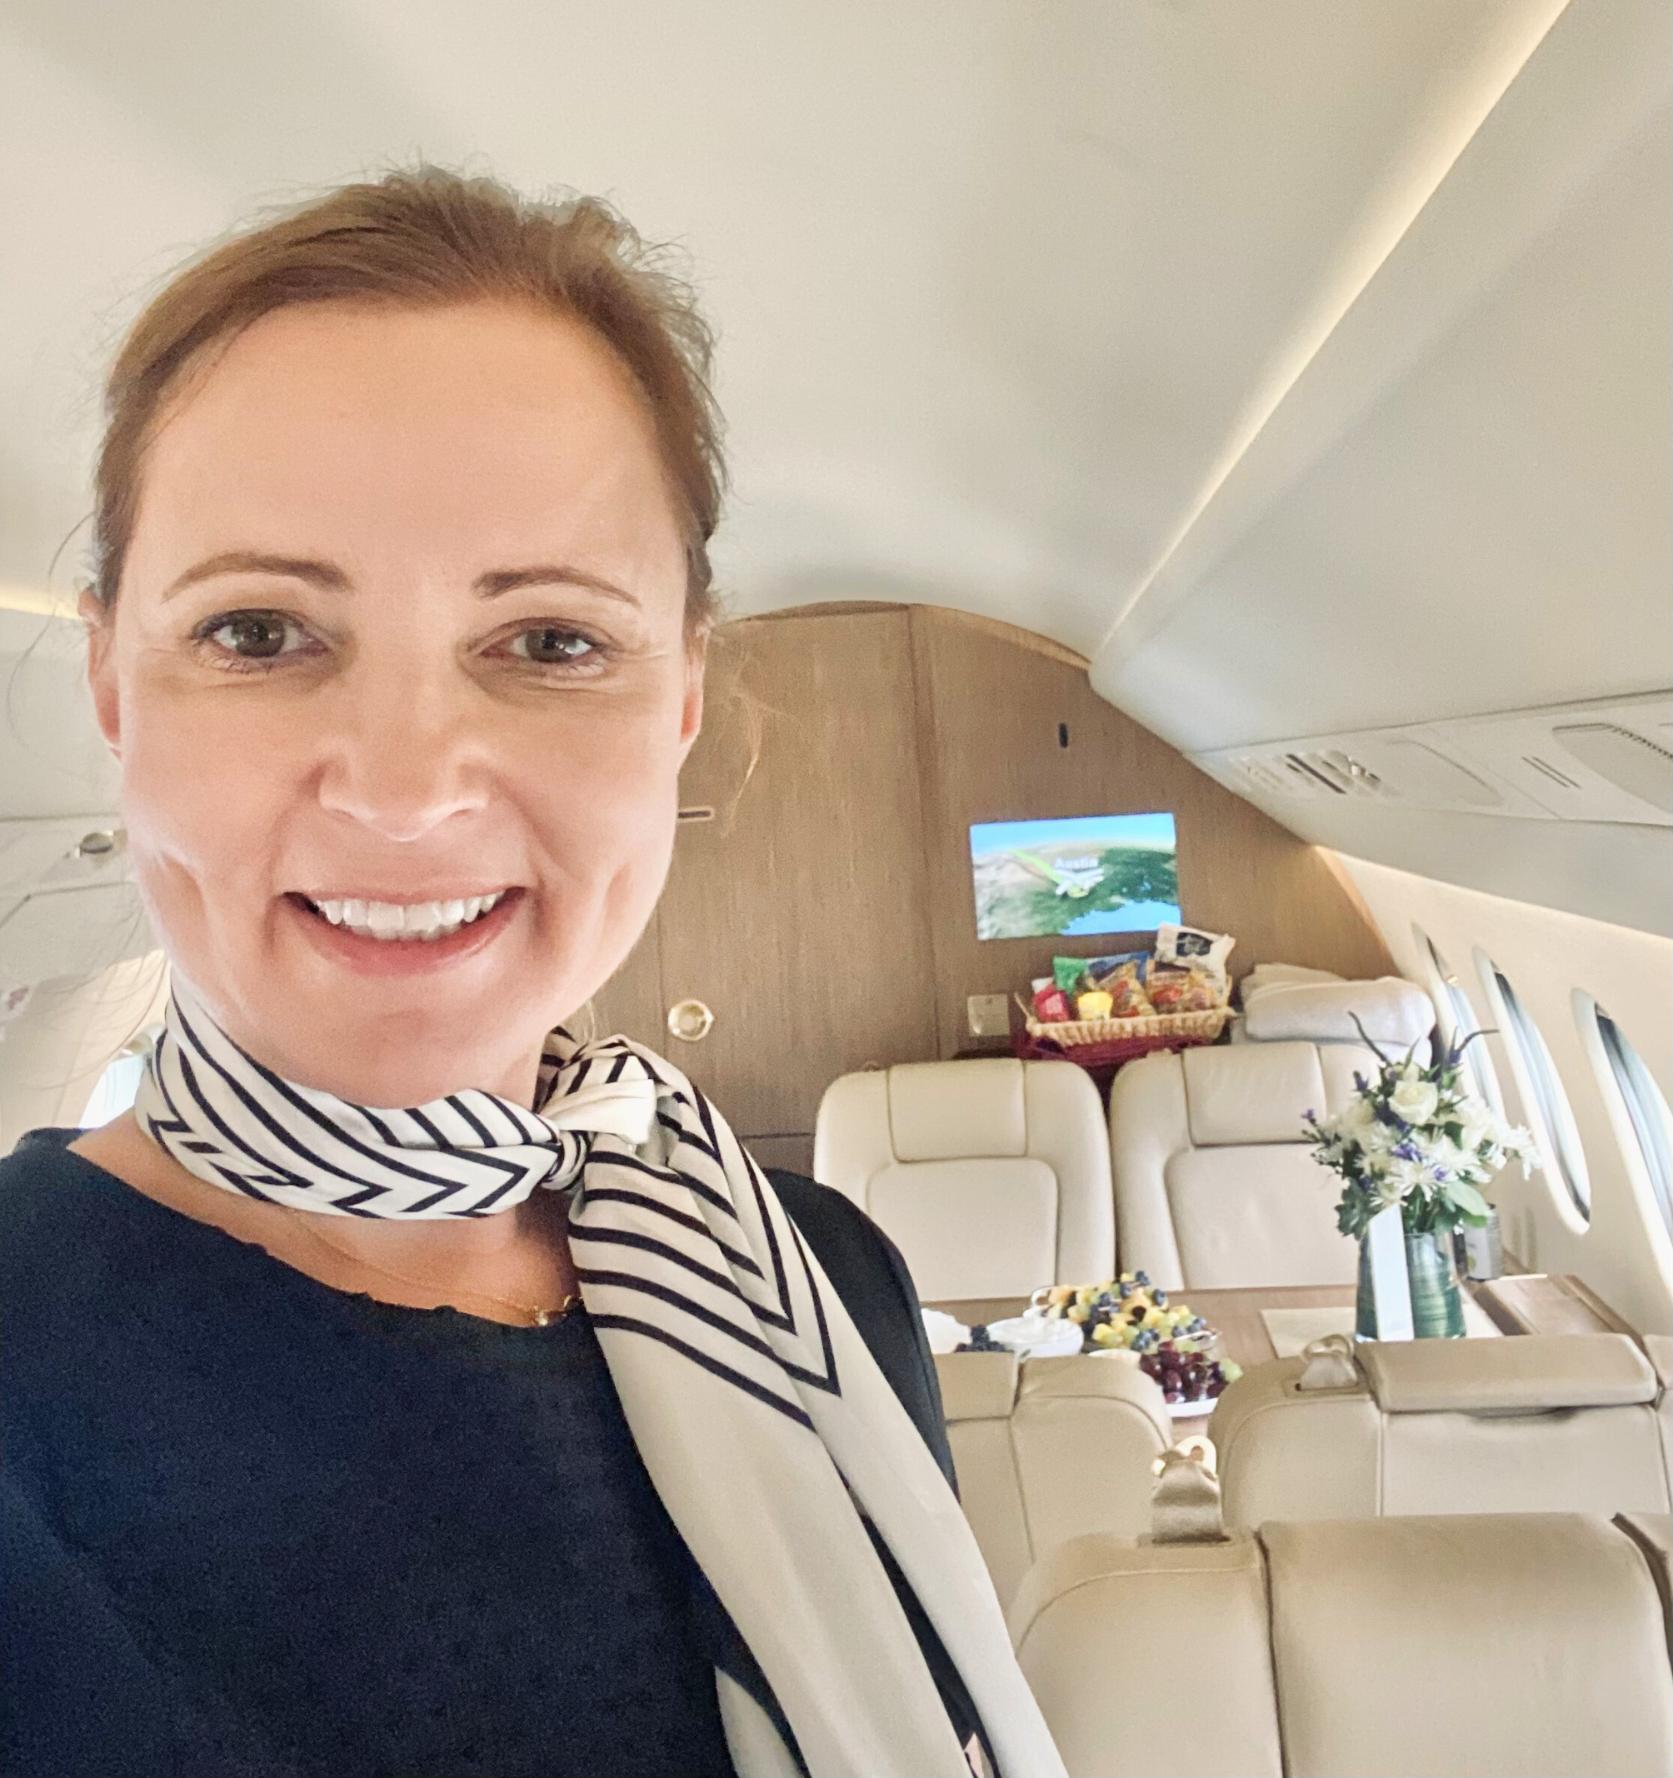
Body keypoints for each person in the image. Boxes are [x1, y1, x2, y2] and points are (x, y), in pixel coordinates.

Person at [0, 169, 1064, 1778]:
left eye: (552, 641)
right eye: (261, 633)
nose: (409, 787)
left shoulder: (826, 1280)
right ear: (109, 686)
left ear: (683, 696)